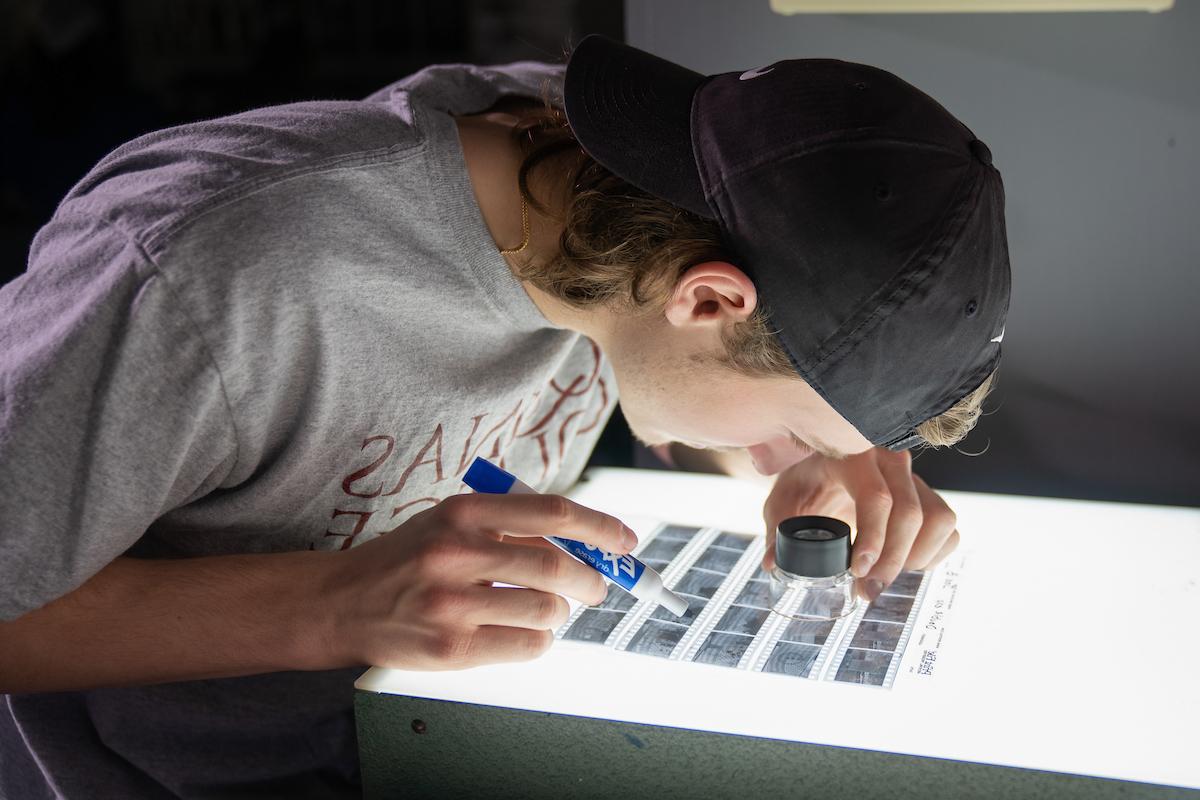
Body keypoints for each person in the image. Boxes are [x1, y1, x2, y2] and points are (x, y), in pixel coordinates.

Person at [0, 34, 1009, 798]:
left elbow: (671, 382)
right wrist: (335, 604)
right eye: (808, 427)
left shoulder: (615, 188)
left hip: (446, 734)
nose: (798, 453)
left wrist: (789, 455)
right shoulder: (205, 271)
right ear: (708, 300)